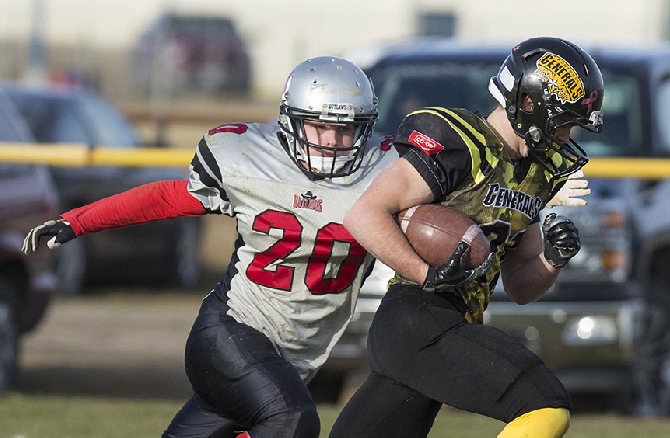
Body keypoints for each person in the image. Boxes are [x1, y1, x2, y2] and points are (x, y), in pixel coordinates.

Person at [22, 56, 398, 438]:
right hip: (230, 333)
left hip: (289, 355)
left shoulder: (388, 174)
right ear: (291, 121)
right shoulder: (251, 160)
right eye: (319, 127)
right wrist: (78, 220)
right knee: (293, 419)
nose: (332, 142)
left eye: (345, 129)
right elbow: (166, 199)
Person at [330, 36, 604, 438]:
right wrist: (424, 273)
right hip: (415, 317)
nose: (564, 138)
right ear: (528, 104)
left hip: (451, 323)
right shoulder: (462, 144)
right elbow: (364, 214)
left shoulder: (537, 173)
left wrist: (551, 260)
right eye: (562, 123)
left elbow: (520, 285)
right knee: (545, 404)